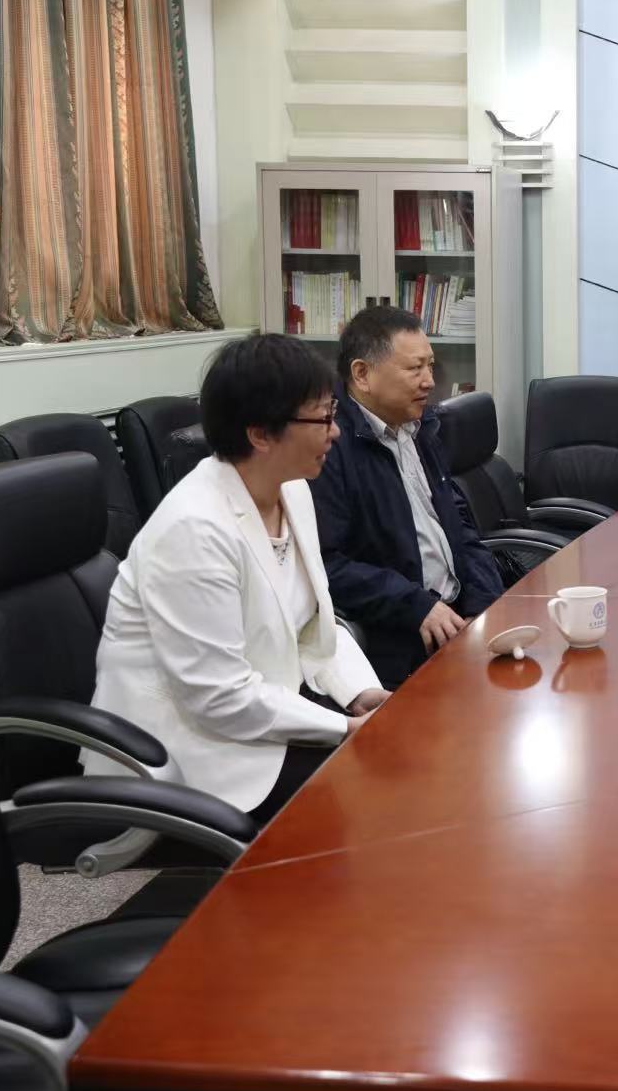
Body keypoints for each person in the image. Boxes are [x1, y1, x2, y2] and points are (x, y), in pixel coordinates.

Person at [88, 335, 389, 822]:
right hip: (188, 750)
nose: (335, 431)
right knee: (370, 795)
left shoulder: (292, 490)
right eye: (322, 418)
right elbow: (218, 697)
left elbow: (311, 622)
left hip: (264, 713)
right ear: (261, 434)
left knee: (397, 760)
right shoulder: (193, 528)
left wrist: (358, 692)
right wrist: (341, 728)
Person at [312, 305, 504, 688]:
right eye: (415, 369)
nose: (429, 381)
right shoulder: (327, 448)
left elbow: (460, 528)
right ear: (362, 375)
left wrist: (485, 607)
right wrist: (417, 606)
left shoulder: (421, 427)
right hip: (401, 641)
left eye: (430, 366)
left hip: (457, 621)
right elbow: (326, 566)